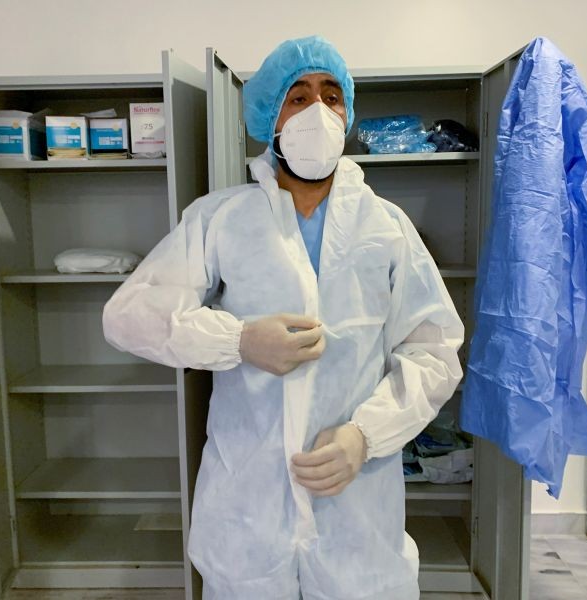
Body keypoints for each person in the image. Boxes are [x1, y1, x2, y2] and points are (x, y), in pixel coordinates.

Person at [103, 35, 464, 600]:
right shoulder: (221, 220)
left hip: (356, 512)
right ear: (268, 116)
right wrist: (238, 339)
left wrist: (366, 436)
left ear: (347, 113)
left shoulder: (387, 227)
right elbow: (130, 315)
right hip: (249, 507)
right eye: (298, 97)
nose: (317, 111)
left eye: (330, 96)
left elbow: (435, 352)